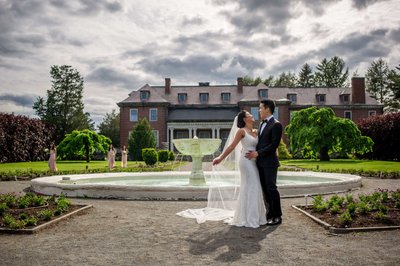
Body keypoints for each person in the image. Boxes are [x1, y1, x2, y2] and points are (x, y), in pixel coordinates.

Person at [176, 110, 267, 228]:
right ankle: (250, 218)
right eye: (249, 114)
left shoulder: (256, 132)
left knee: (254, 186)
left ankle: (255, 216)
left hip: (254, 162)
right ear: (245, 119)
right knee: (252, 185)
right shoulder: (241, 131)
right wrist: (220, 158)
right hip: (246, 162)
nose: (252, 115)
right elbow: (232, 146)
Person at [246, 99, 283, 226]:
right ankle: (269, 214)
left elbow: (274, 145)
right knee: (265, 190)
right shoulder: (261, 124)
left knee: (271, 188)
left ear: (267, 108)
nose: (259, 110)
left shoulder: (276, 124)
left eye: (260, 108)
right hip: (260, 163)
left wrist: (258, 153)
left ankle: (277, 216)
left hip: (270, 163)